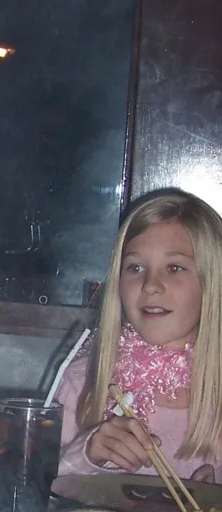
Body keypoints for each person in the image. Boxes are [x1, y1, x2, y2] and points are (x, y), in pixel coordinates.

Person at [56, 190, 222, 480]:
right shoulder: (85, 381)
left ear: (212, 284)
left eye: (174, 268)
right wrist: (86, 454)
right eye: (136, 267)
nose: (150, 285)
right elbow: (35, 487)